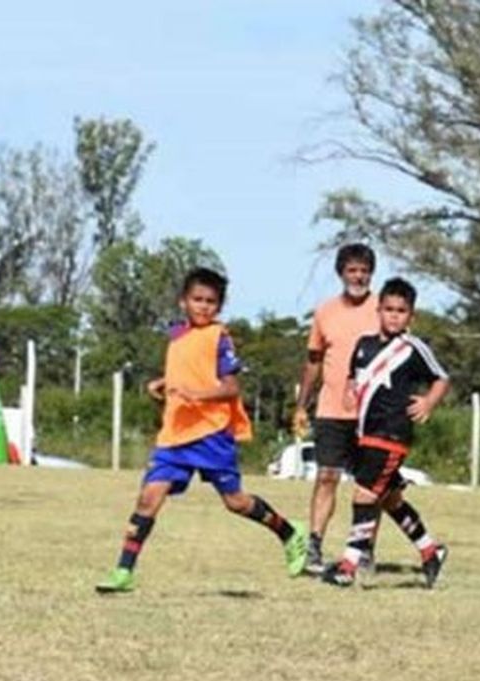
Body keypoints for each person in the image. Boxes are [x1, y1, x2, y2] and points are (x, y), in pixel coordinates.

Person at [96, 268, 307, 593]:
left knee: (235, 502)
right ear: (183, 302)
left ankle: (289, 532)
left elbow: (231, 387)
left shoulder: (219, 338)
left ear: (219, 307)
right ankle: (123, 572)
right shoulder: (177, 336)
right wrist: (163, 383)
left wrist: (198, 395)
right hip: (175, 434)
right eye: (197, 300)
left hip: (211, 434)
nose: (203, 307)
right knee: (148, 498)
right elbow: (188, 371)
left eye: (211, 302)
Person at [321, 277, 450, 589]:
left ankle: (349, 566)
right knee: (391, 499)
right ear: (378, 310)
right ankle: (430, 551)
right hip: (365, 434)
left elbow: (442, 377)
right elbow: (355, 378)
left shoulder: (411, 348)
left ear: (411, 316)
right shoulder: (364, 346)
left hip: (392, 435)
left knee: (364, 494)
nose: (394, 315)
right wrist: (351, 392)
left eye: (401, 311)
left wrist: (429, 402)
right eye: (389, 309)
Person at [294, 243, 379, 575]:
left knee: (369, 485)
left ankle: (364, 548)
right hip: (331, 409)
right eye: (352, 270)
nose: (357, 276)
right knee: (326, 476)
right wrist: (302, 404)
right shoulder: (325, 312)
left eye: (363, 270)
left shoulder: (383, 310)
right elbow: (313, 361)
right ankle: (314, 545)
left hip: (371, 411)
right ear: (341, 273)